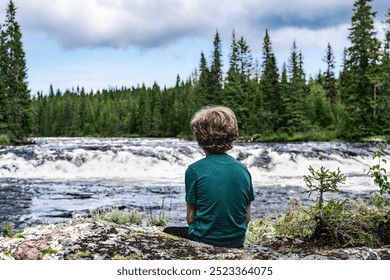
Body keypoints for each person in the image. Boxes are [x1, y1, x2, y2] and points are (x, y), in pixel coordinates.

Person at [164, 106, 255, 248]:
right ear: (232, 136)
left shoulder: (194, 170)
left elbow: (190, 219)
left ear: (199, 138)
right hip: (236, 241)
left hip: (204, 239)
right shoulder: (243, 169)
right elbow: (247, 217)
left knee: (167, 231)